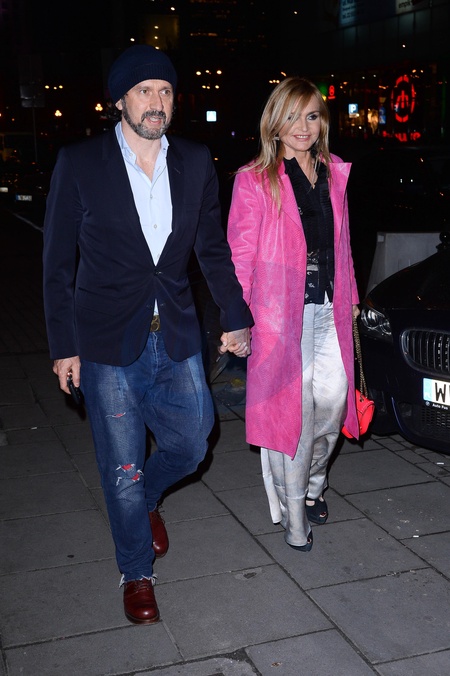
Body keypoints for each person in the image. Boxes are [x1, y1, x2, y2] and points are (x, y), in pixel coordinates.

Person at [42, 44, 253, 624]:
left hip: (175, 331)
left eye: (165, 91)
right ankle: (136, 571)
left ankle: (147, 500)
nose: (156, 102)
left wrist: (235, 314)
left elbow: (211, 248)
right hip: (106, 341)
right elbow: (57, 264)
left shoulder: (195, 160)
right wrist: (63, 346)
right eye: (143, 91)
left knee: (194, 442)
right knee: (123, 468)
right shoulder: (80, 163)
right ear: (119, 101)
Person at [226, 76, 360, 552]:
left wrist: (352, 298)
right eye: (292, 117)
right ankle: (294, 517)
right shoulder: (255, 179)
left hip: (328, 310)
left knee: (333, 407)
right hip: (281, 317)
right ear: (274, 123)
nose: (303, 127)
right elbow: (240, 254)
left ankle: (312, 485)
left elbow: (343, 245)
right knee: (293, 419)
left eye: (312, 116)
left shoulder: (333, 172)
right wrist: (237, 319)